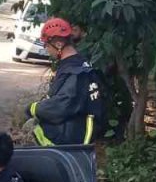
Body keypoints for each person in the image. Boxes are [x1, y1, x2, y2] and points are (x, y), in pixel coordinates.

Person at [26, 18, 105, 148]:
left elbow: (61, 106)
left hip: (73, 137)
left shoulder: (75, 73)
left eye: (46, 44)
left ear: (58, 44)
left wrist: (33, 108)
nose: (45, 48)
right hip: (79, 128)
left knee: (33, 129)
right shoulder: (78, 63)